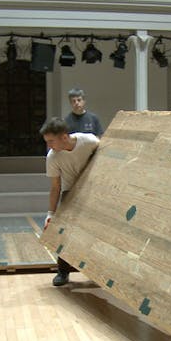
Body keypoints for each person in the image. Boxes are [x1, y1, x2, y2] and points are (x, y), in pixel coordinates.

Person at [40, 117, 100, 286]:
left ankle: (97, 272)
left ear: (64, 137)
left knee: (95, 233)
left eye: (51, 141)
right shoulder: (53, 157)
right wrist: (50, 214)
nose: (49, 145)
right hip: (70, 192)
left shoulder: (88, 141)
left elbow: (104, 155)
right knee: (64, 233)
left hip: (92, 192)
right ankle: (63, 271)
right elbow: (55, 187)